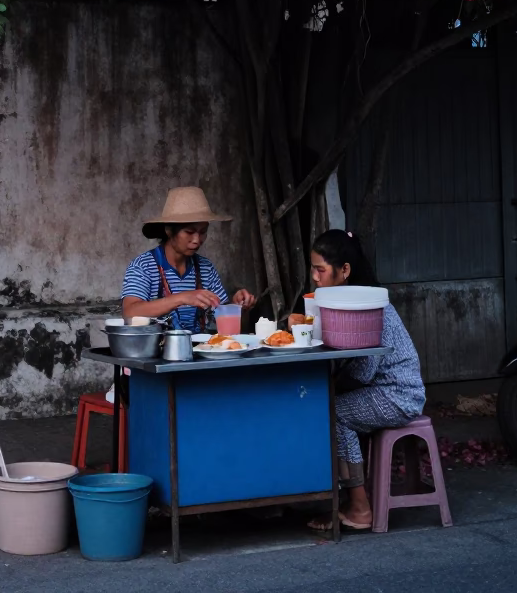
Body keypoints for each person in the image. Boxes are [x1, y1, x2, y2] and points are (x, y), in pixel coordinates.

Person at [289, 229, 425, 531]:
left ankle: (361, 509)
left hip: (398, 395)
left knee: (334, 414)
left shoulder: (370, 308)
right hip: (381, 391)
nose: (314, 277)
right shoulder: (344, 303)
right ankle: (342, 499)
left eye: (320, 270)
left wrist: (329, 383)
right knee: (325, 405)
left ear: (345, 270)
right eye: (312, 269)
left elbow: (364, 373)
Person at [122, 186, 256, 331]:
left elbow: (223, 318)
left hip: (201, 349)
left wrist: (237, 306)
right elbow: (129, 313)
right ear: (169, 231)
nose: (197, 240)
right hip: (158, 351)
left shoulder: (206, 267)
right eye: (189, 232)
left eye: (203, 232)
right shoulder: (144, 266)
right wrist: (182, 298)